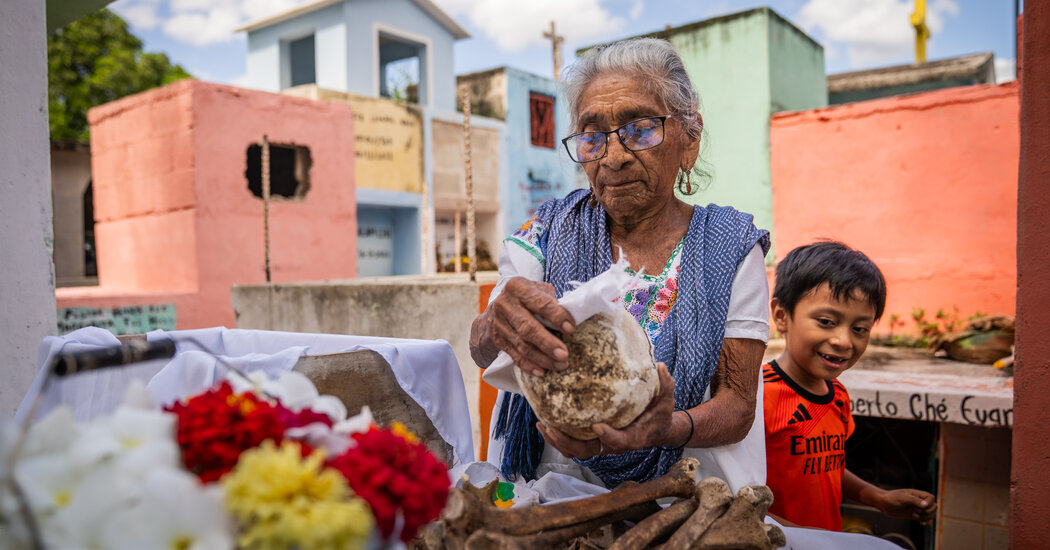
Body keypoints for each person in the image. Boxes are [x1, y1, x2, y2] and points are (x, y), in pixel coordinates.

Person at [469, 37, 771, 491]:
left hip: (684, 504)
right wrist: (497, 322)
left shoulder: (729, 247)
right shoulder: (548, 232)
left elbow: (738, 406)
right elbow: (479, 348)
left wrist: (663, 430)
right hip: (552, 497)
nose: (612, 157)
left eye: (640, 128)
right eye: (592, 137)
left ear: (689, 138)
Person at [764, 241, 938, 530]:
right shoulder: (759, 396)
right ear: (782, 316)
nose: (844, 341)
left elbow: (826, 469)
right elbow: (737, 493)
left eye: (860, 329)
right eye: (826, 321)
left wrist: (878, 498)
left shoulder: (838, 398)